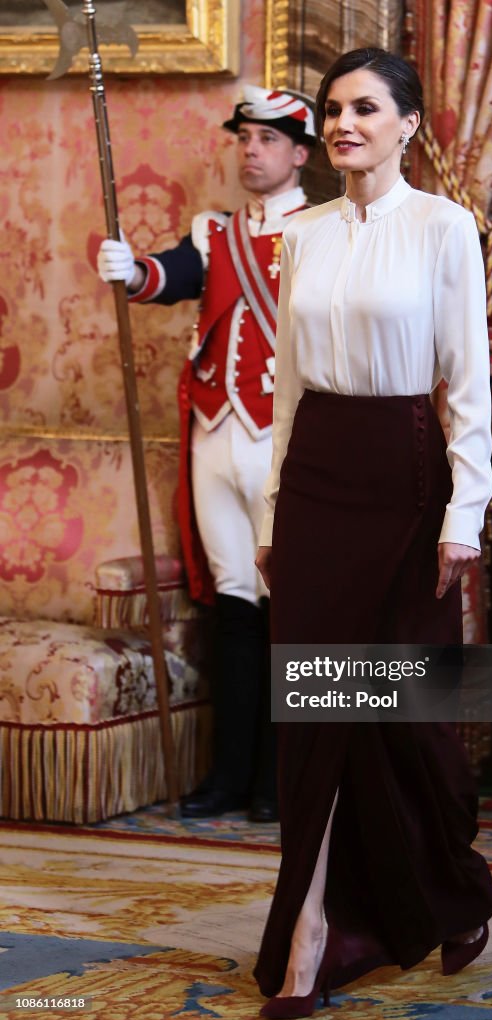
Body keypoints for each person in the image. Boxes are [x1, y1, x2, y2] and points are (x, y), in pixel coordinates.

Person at [252, 48, 492, 1020]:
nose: (343, 123)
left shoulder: (445, 229)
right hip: (315, 479)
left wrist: (462, 515)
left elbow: (466, 386)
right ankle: (306, 937)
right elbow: (285, 390)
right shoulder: (301, 235)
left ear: (406, 123)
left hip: (405, 483)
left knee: (407, 717)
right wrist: (274, 509)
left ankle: (450, 892)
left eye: (364, 108)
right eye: (333, 109)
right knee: (310, 709)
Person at [97, 85, 316, 824]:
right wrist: (130, 270)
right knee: (232, 607)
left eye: (267, 139)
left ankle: (281, 782)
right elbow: (170, 279)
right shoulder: (214, 232)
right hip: (215, 438)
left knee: (292, 612)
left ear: (300, 153)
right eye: (243, 138)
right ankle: (228, 776)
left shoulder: (324, 230)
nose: (250, 150)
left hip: (288, 442)